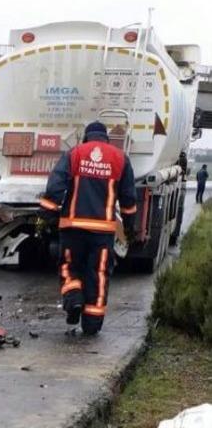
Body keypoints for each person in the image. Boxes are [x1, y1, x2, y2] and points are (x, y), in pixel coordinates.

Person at [38, 121, 138, 336]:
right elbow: (129, 197)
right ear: (106, 139)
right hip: (102, 232)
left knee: (68, 267)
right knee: (98, 274)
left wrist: (48, 212)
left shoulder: (75, 153)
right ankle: (92, 323)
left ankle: (73, 298)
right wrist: (129, 226)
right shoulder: (120, 159)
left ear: (86, 137)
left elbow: (56, 185)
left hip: (72, 227)